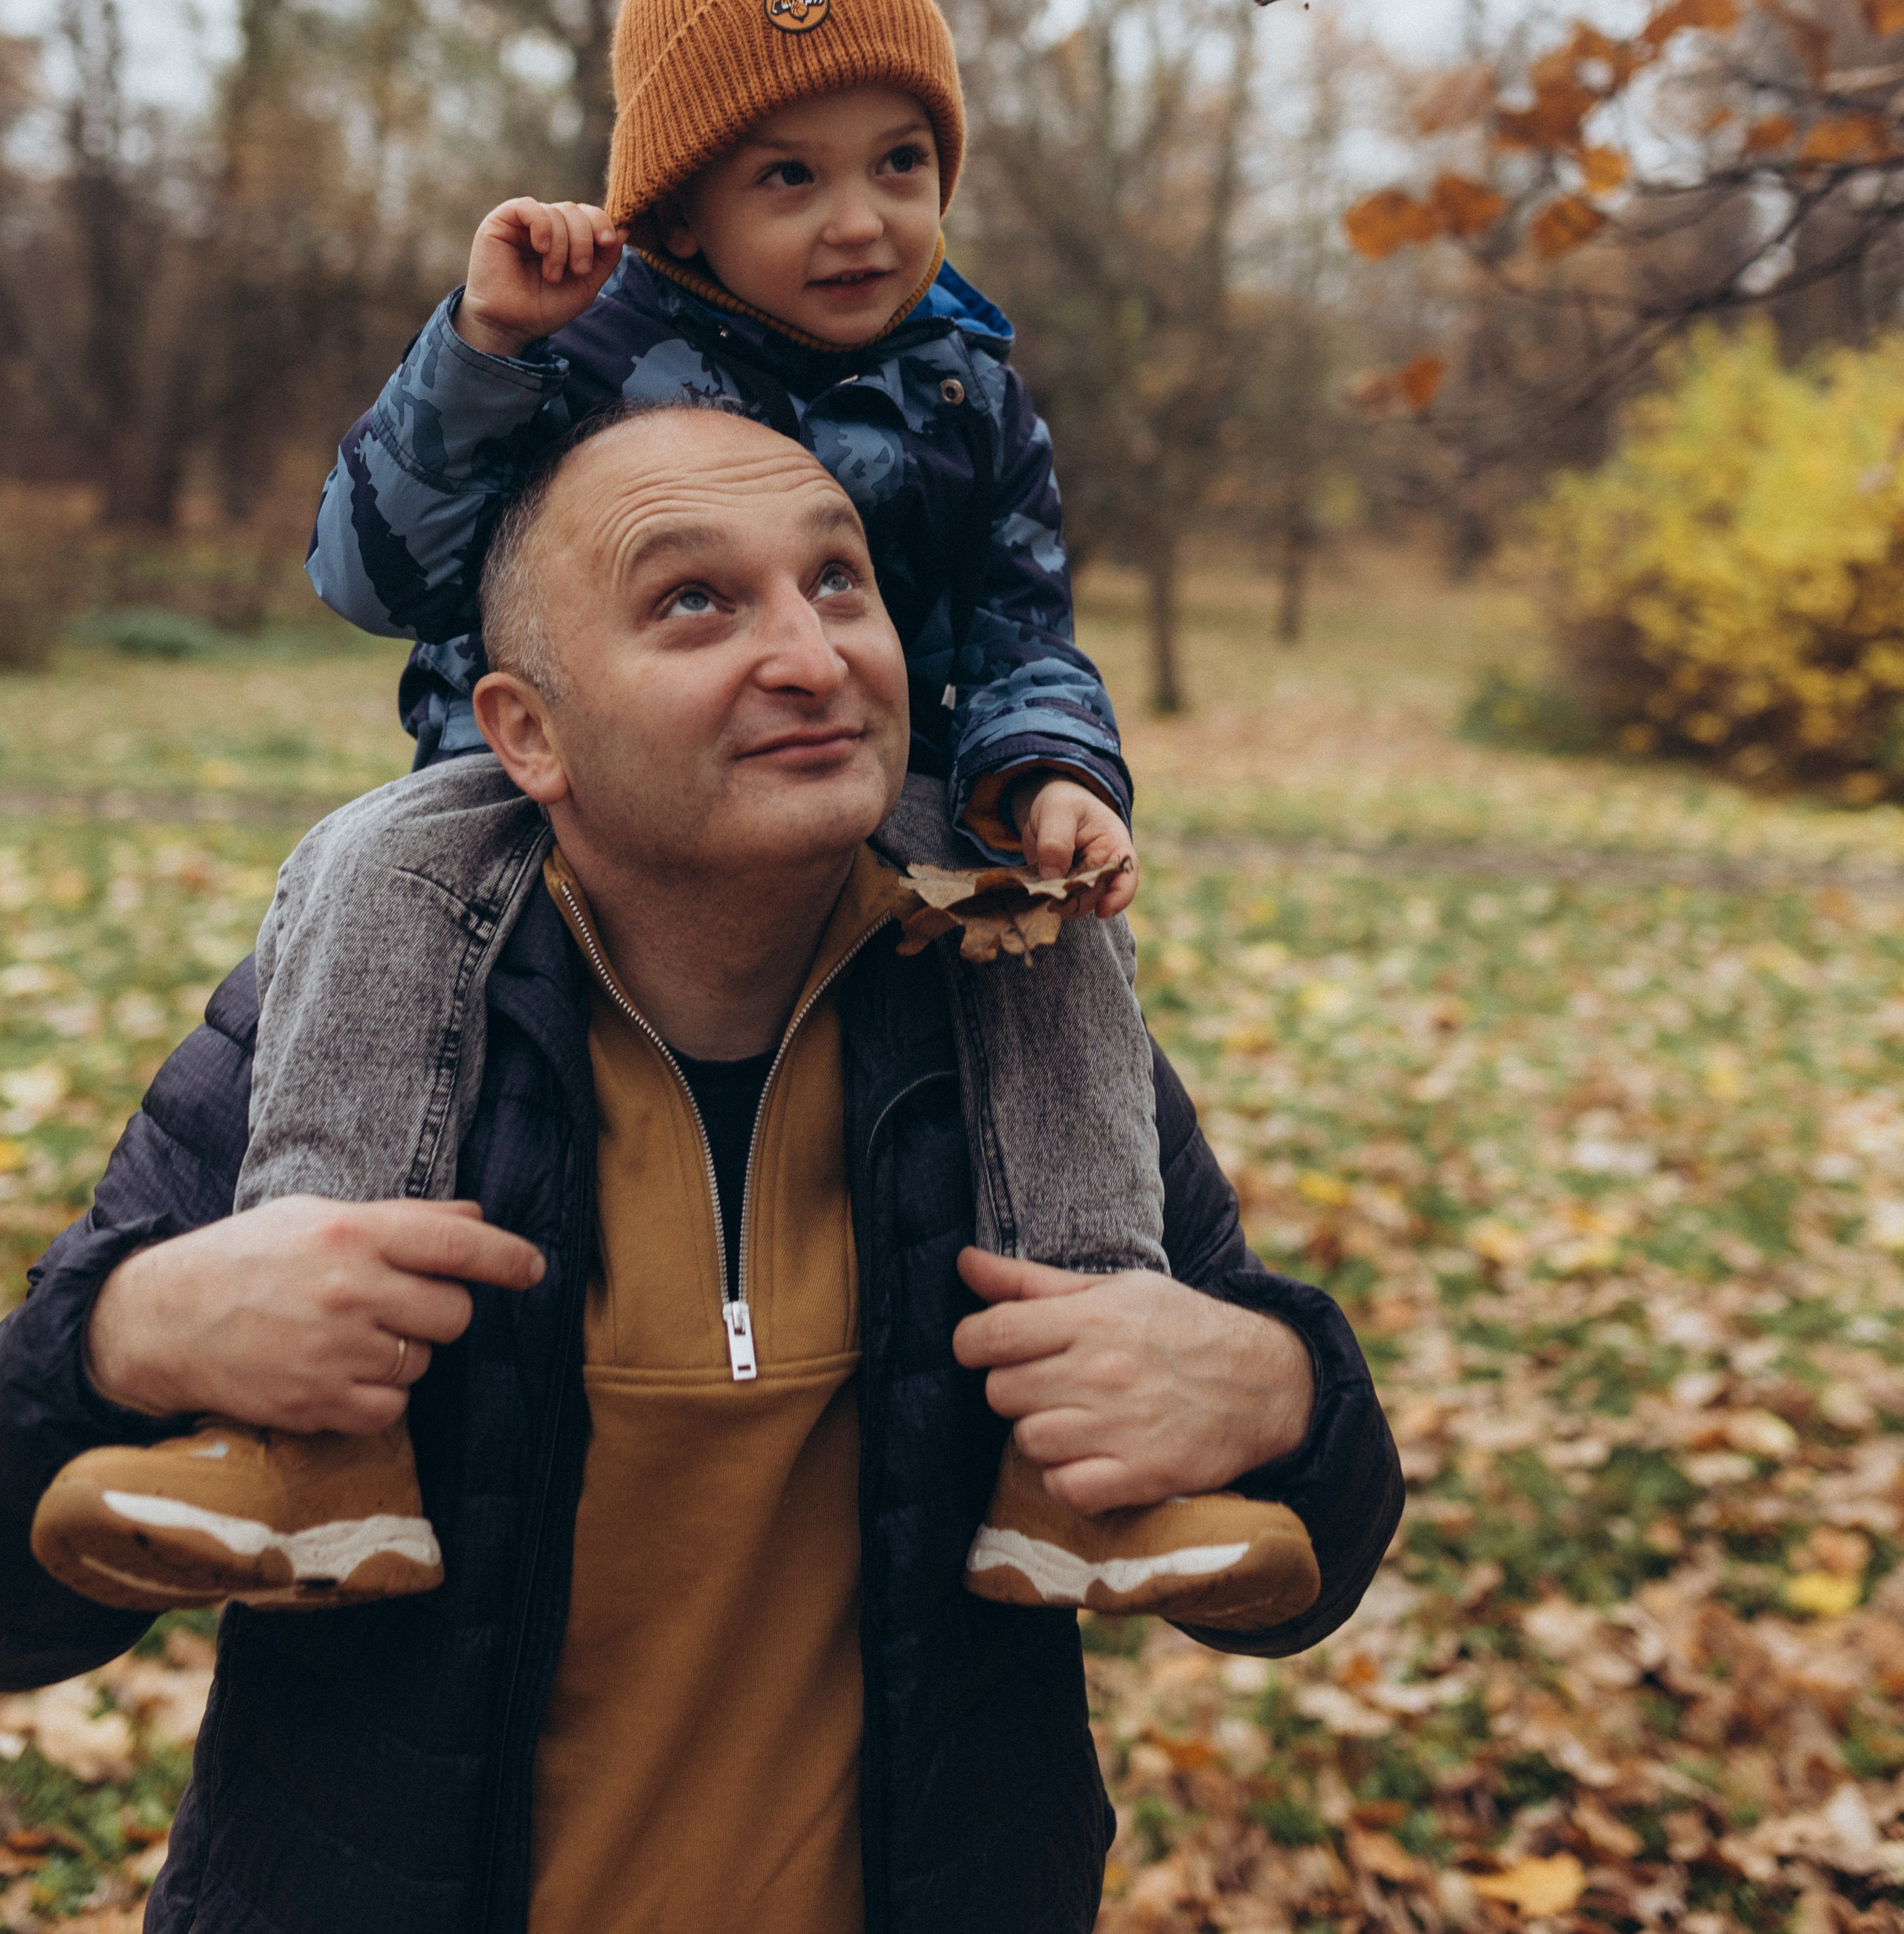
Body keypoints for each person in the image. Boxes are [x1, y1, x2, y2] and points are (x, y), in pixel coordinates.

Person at [4, 408, 1404, 1934]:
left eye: (840, 585)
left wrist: (1275, 1391)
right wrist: (119, 1336)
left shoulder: (1008, 1004)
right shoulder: (353, 1026)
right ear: (524, 733)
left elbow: (1301, 1568)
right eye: (693, 601)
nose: (812, 656)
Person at [58, 0, 1240, 1612]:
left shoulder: (963, 389)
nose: (861, 220)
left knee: (1042, 921)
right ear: (679, 195)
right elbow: (373, 575)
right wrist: (478, 354)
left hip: (876, 792)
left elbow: (1014, 624)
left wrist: (1048, 778)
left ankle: (1083, 1455)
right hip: (530, 795)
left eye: (899, 162)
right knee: (371, 859)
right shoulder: (576, 348)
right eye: (790, 175)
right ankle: (312, 1418)